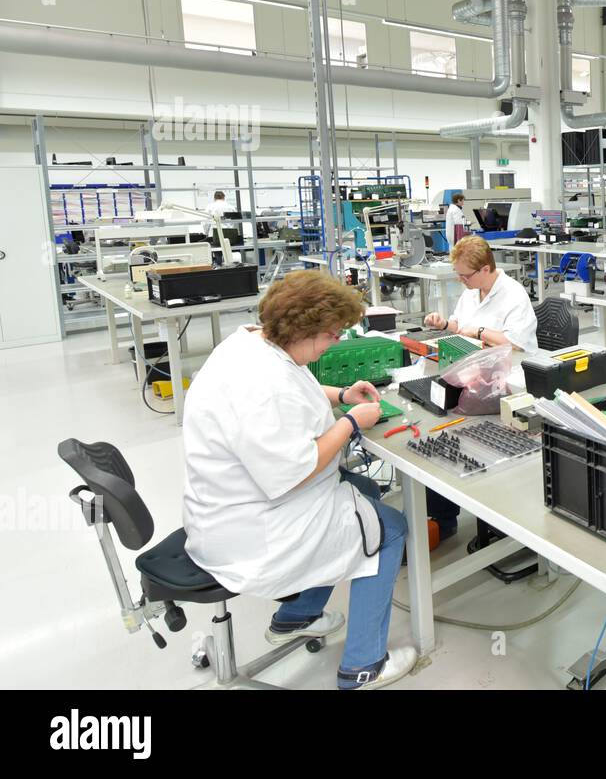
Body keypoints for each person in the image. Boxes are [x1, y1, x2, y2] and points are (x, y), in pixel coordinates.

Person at [181, 270, 416, 690]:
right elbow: (291, 473)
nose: (333, 344)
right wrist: (351, 424)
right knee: (390, 528)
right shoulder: (262, 386)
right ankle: (363, 666)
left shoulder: (252, 342)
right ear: (304, 331)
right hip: (256, 530)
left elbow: (297, 383)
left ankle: (296, 616)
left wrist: (341, 395)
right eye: (330, 336)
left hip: (225, 506)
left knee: (362, 490)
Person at [420, 236, 539, 540]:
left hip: (507, 382)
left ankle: (502, 518)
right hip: (472, 376)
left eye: (465, 275)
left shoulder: (513, 296)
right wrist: (443, 324)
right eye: (458, 275)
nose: (461, 281)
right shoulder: (471, 292)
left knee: (452, 430)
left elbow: (517, 346)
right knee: (434, 426)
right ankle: (443, 516)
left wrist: (481, 331)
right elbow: (461, 327)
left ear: (486, 269)